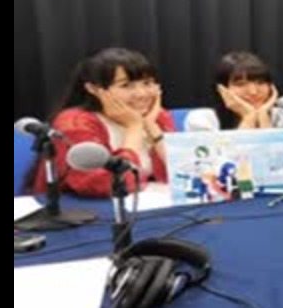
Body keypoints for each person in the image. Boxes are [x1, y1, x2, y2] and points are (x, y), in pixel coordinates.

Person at [25, 47, 175, 198]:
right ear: (94, 89)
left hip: (141, 203)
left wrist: (152, 128)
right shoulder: (74, 122)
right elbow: (106, 184)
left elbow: (182, 175)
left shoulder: (156, 116)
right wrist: (134, 128)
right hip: (81, 208)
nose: (141, 94)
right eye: (126, 85)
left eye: (147, 83)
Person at [184, 51, 283, 131]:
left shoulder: (282, 117)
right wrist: (248, 116)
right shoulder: (201, 119)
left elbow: (275, 155)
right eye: (240, 84)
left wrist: (263, 115)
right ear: (221, 89)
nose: (253, 92)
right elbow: (232, 156)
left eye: (260, 83)